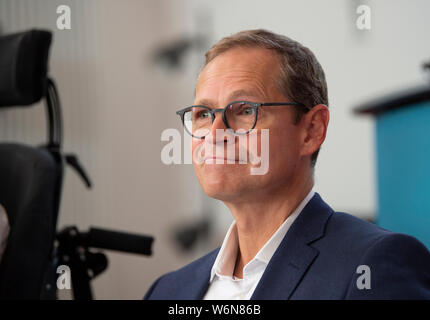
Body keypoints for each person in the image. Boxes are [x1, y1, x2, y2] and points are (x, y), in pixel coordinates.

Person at [144, 29, 430, 299]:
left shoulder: (371, 266)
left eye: (245, 110)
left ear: (311, 131)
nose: (215, 134)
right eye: (203, 114)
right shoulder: (167, 290)